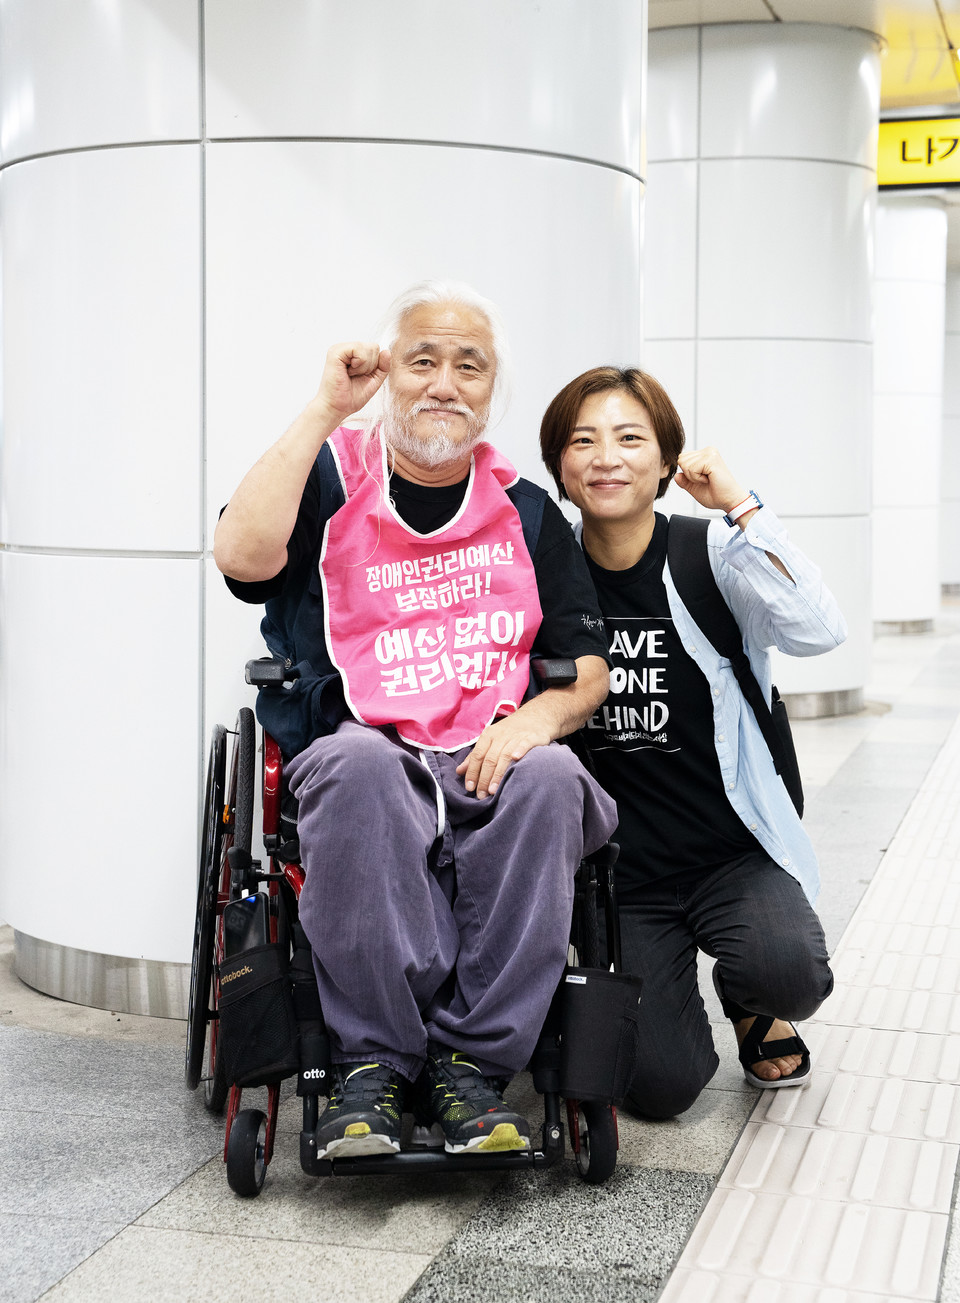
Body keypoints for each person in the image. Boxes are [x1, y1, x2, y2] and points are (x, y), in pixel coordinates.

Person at [214, 282, 617, 1159]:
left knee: (551, 778)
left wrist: (540, 718)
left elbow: (587, 666)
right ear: (388, 374)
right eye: (422, 361)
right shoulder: (328, 477)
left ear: (492, 386)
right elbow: (241, 557)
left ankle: (472, 1065)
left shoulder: (528, 511)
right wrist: (325, 409)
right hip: (359, 739)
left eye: (467, 365)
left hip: (488, 748)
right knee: (358, 770)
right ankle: (375, 1062)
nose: (444, 383)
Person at [539, 366, 845, 1118]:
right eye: (582, 441)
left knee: (791, 972)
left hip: (728, 854)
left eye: (628, 438)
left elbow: (819, 627)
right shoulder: (548, 571)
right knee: (660, 1087)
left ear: (666, 460)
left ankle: (749, 1000)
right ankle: (678, 1006)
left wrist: (741, 508)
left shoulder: (710, 554)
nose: (605, 457)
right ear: (560, 468)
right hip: (623, 877)